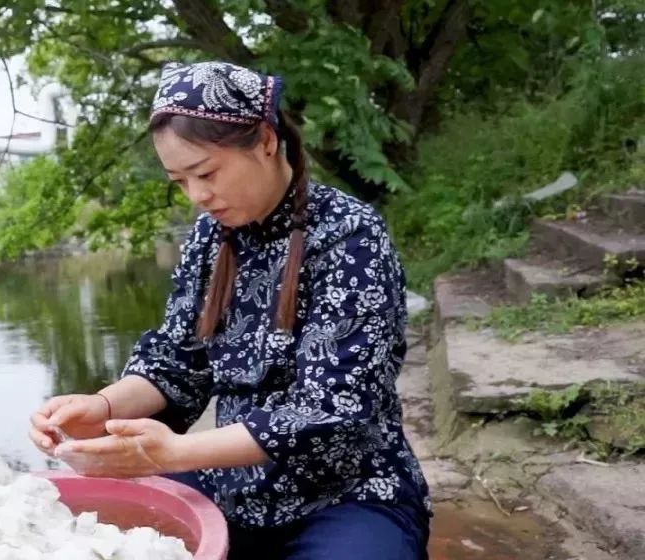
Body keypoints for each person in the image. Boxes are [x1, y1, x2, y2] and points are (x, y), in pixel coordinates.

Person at [28, 61, 431, 559]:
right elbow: (177, 363)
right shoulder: (208, 238)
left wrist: (174, 452)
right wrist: (102, 407)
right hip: (233, 485)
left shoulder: (350, 235)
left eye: (206, 173)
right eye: (179, 182)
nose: (198, 196)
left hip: (348, 493)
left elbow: (335, 410)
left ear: (265, 141)